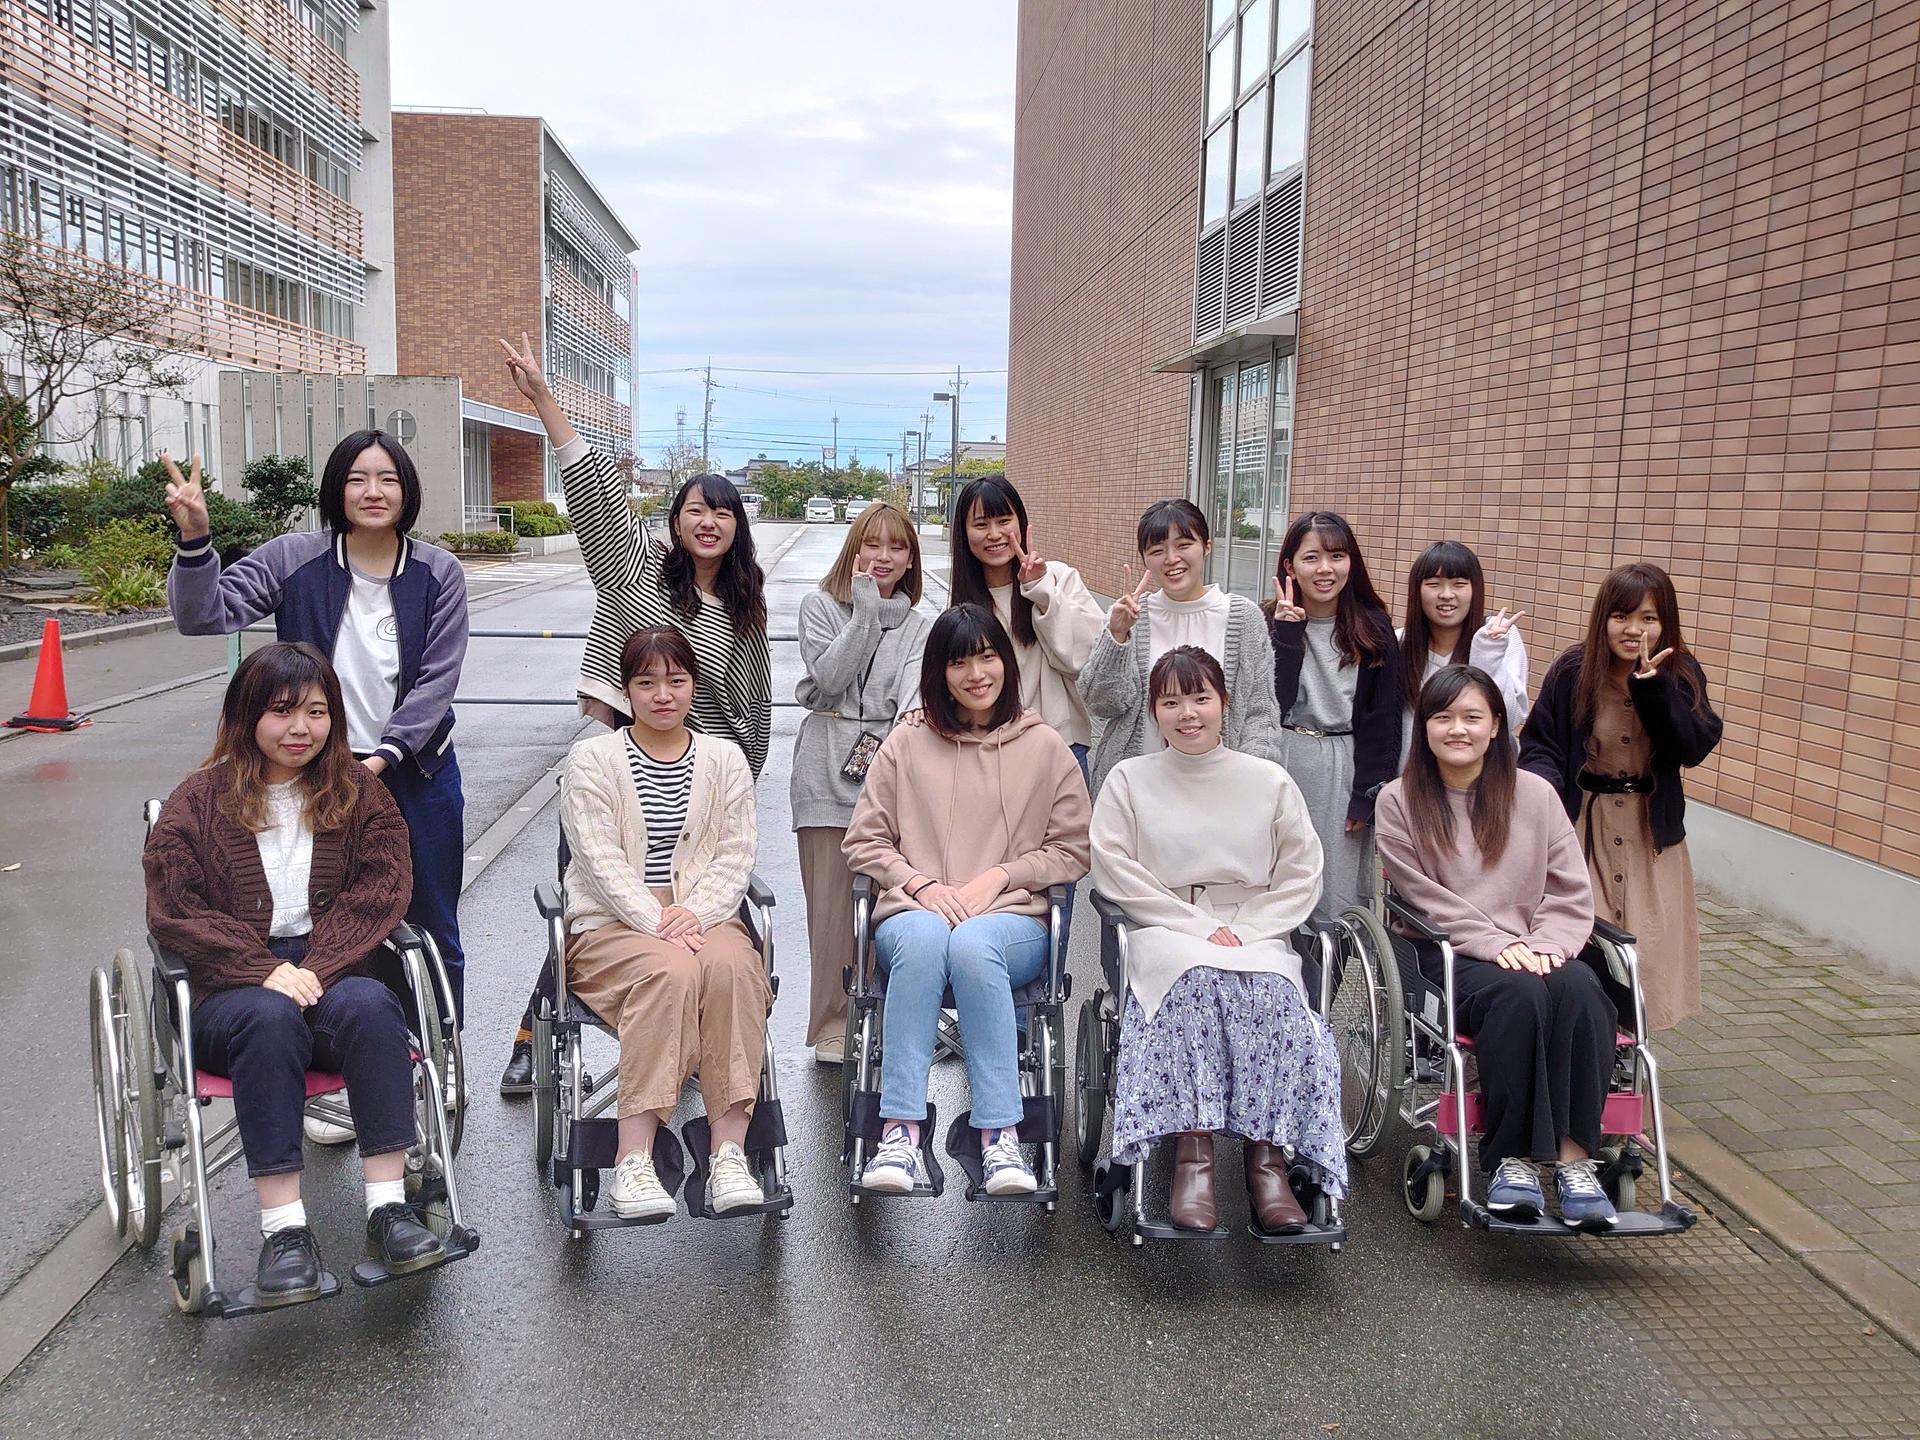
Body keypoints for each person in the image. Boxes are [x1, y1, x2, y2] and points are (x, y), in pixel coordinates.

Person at [164, 434, 469, 1149]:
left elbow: (439, 678)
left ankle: (438, 1053)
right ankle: (328, 1071)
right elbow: (204, 615)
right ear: (336, 489)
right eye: (357, 478)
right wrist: (196, 540)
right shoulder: (292, 558)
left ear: (408, 491)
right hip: (306, 774)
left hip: (414, 773)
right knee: (313, 921)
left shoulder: (437, 571)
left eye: (388, 479)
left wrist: (384, 757)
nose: (373, 491)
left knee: (429, 924)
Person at [496, 333, 771, 1092]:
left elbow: (752, 708)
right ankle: (532, 1036)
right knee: (598, 899)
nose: (709, 522)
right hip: (621, 769)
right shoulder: (636, 568)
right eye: (696, 509)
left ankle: (690, 1043)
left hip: (698, 781)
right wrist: (544, 400)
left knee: (696, 920)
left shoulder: (745, 606)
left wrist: (734, 785)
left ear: (737, 526)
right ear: (676, 520)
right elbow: (594, 496)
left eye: (723, 512)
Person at [144, 642, 448, 1303]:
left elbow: (382, 888)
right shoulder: (196, 803)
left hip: (330, 973)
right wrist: (261, 968)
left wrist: (317, 965)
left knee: (372, 1006)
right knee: (269, 1015)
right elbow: (174, 908)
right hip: (229, 995)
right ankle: (284, 1230)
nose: (301, 728)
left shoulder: (360, 793)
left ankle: (389, 1210)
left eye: (316, 712)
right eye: (282, 712)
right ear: (247, 715)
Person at [1090, 646, 1344, 1233]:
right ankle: (1193, 1159)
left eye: (1200, 698)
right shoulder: (1128, 779)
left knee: (1275, 996)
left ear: (1224, 703)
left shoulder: (1268, 780)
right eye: (1171, 702)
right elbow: (1114, 868)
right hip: (1164, 925)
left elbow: (1302, 872)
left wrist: (1249, 929)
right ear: (1154, 711)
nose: (1187, 714)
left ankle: (1268, 1161)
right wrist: (1197, 926)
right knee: (1193, 985)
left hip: (1254, 926)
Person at [842, 604, 1091, 1196]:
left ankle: (999, 1134)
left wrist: (1002, 876)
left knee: (976, 944)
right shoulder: (906, 743)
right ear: (939, 672)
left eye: (987, 657)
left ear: (1006, 662)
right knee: (928, 937)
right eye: (959, 663)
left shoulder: (1045, 747)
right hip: (914, 912)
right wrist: (919, 884)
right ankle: (900, 1131)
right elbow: (863, 840)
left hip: (1011, 920)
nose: (977, 674)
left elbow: (1073, 849)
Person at [1375, 663, 1618, 1227]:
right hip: (1449, 950)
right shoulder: (1399, 800)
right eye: (1443, 717)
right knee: (1519, 998)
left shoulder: (1535, 795)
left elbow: (1568, 886)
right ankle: (1512, 1161)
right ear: (1424, 726)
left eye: (1472, 717)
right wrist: (1490, 941)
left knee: (1583, 990)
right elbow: (1421, 895)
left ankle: (1576, 1161)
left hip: (1535, 943)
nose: (1457, 729)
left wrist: (1550, 944)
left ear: (1496, 726)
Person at [558, 626, 769, 1219]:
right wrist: (659, 921)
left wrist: (693, 913)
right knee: (670, 971)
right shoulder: (592, 759)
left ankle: (728, 1154)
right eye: (646, 682)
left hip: (704, 914)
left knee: (734, 966)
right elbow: (597, 858)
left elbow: (736, 852)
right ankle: (634, 1159)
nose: (662, 695)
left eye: (676, 681)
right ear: (625, 690)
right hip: (611, 925)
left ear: (694, 686)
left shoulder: (724, 759)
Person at [1519, 563, 1723, 1032]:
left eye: (1648, 618)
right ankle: (1584, 1039)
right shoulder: (1573, 670)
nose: (1633, 630)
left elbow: (1693, 747)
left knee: (1646, 948)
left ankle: (1632, 1046)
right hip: (1582, 826)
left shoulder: (1680, 673)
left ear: (1665, 622)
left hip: (1649, 832)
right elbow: (1540, 745)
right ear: (1603, 619)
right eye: (1621, 616)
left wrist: (1655, 691)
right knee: (1581, 938)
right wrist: (1550, 801)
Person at [792, 502, 933, 1064]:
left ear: (911, 560)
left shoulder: (922, 627)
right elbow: (829, 678)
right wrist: (865, 613)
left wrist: (890, 767)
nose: (883, 556)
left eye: (897, 547)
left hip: (891, 772)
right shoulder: (820, 607)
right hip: (824, 770)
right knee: (831, 909)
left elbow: (914, 702)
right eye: (872, 544)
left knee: (890, 904)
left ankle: (888, 1018)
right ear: (853, 548)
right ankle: (833, 1023)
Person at [1079, 498, 1283, 799]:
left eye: (1184, 544)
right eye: (1157, 550)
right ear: (1144, 558)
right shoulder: (1131, 616)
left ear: (1207, 546)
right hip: (1137, 788)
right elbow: (1102, 705)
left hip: (1221, 791)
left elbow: (1260, 712)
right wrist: (1117, 635)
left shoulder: (1244, 617)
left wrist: (1250, 781)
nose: (1171, 559)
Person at [1266, 511, 1401, 922]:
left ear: (1350, 562)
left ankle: (1334, 960)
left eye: (1337, 556)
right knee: (1274, 876)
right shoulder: (1267, 621)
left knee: (1336, 887)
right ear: (1290, 566)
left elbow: (1384, 718)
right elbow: (1271, 704)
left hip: (1344, 762)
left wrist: (1368, 794)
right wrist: (1287, 636)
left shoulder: (1373, 627)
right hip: (1282, 755)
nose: (1325, 569)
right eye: (1312, 558)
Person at [1398, 540, 1529, 765]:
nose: (1446, 594)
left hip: (1485, 776)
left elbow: (1510, 717)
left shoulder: (1497, 635)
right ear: (1416, 590)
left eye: (1459, 584)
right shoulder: (1399, 643)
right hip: (1416, 776)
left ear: (1475, 589)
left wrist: (1488, 653)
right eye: (1434, 584)